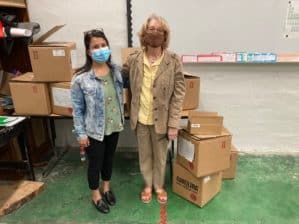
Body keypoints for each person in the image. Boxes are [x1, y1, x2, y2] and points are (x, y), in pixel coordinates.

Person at [122, 14, 186, 204]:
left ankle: (159, 186)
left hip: (163, 121)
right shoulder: (134, 59)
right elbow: (120, 77)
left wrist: (174, 124)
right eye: (151, 29)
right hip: (141, 118)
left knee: (160, 157)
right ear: (144, 33)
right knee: (145, 155)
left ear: (165, 35)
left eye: (159, 30)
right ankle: (148, 185)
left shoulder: (173, 61)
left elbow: (179, 94)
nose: (155, 33)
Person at [71, 29, 124, 214]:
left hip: (114, 125)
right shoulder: (81, 79)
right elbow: (77, 109)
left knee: (109, 159)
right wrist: (81, 133)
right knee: (96, 163)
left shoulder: (116, 71)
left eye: (103, 45)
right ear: (88, 51)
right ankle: (96, 195)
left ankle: (107, 187)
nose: (101, 49)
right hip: (94, 130)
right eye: (95, 46)